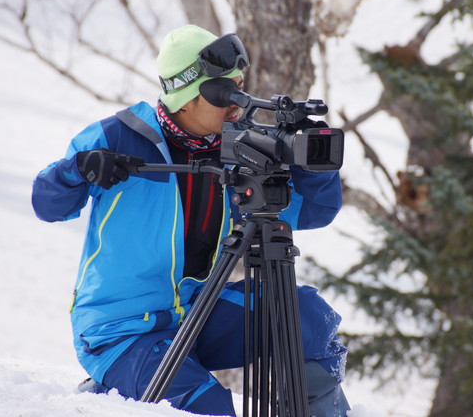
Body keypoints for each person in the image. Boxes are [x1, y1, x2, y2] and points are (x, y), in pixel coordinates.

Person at [31, 24, 349, 417]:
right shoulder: (117, 137)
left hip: (195, 315)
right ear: (187, 94)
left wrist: (313, 166)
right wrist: (78, 170)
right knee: (208, 408)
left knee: (306, 318)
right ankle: (116, 385)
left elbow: (313, 211)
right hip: (120, 331)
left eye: (240, 86)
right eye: (226, 93)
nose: (239, 103)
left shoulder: (235, 149)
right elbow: (47, 204)